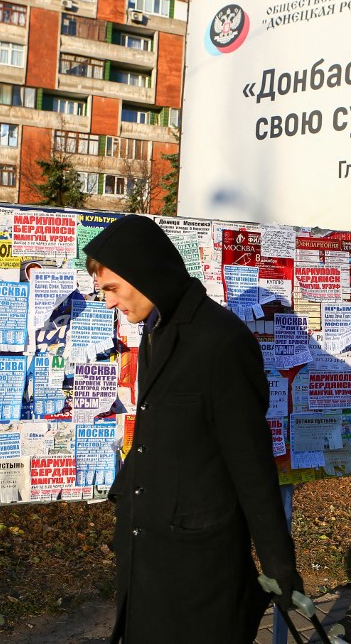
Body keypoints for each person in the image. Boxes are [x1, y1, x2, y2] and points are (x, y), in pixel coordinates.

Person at [82, 214, 303, 644]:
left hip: (199, 566)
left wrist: (278, 564)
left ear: (144, 272)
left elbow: (250, 461)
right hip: (148, 550)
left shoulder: (221, 341)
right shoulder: (157, 328)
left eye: (112, 289)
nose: (108, 303)